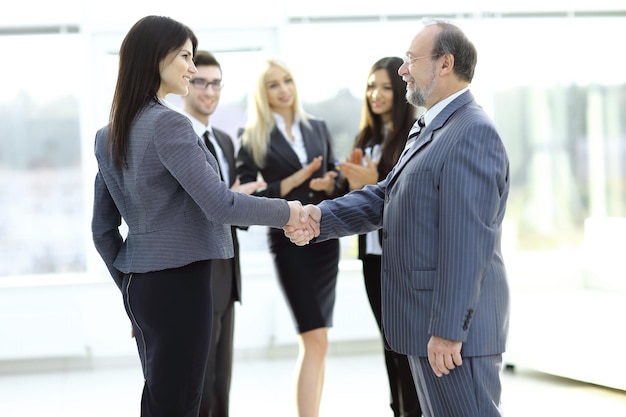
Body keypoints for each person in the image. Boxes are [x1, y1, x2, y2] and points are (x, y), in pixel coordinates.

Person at [91, 16, 314, 417]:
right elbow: (220, 205)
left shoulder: (109, 133)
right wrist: (289, 210)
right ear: (156, 58)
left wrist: (127, 282)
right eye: (185, 56)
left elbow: (102, 229)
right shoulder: (169, 125)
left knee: (161, 400)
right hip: (181, 285)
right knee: (180, 403)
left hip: (141, 288)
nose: (192, 69)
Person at [286, 19, 510, 417]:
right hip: (425, 327)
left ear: (444, 64)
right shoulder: (430, 128)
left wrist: (447, 331)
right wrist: (320, 216)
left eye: (410, 59)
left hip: (451, 336)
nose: (402, 69)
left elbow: (467, 245)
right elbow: (386, 195)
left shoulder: (471, 132)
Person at [236, 57, 348, 417]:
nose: (283, 89)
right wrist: (293, 181)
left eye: (287, 81)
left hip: (325, 240)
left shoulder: (317, 127)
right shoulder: (250, 138)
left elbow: (335, 179)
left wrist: (329, 181)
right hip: (289, 244)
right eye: (273, 84)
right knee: (313, 337)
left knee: (320, 341)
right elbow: (243, 198)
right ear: (262, 93)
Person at [335, 56, 422, 417]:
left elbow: (410, 200)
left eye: (386, 86)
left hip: (400, 258)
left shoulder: (414, 136)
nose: (377, 94)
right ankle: (397, 408)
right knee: (389, 344)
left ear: (402, 89)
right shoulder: (366, 138)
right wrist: (337, 184)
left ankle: (411, 409)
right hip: (372, 258)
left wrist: (371, 183)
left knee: (406, 346)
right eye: (372, 86)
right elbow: (358, 197)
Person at [180, 50, 265, 417]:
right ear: (185, 83)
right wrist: (231, 199)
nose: (209, 91)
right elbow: (192, 209)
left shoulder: (226, 142)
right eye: (200, 82)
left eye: (216, 83)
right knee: (198, 383)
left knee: (220, 383)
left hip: (227, 275)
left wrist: (242, 201)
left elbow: (230, 209)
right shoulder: (178, 140)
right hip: (195, 276)